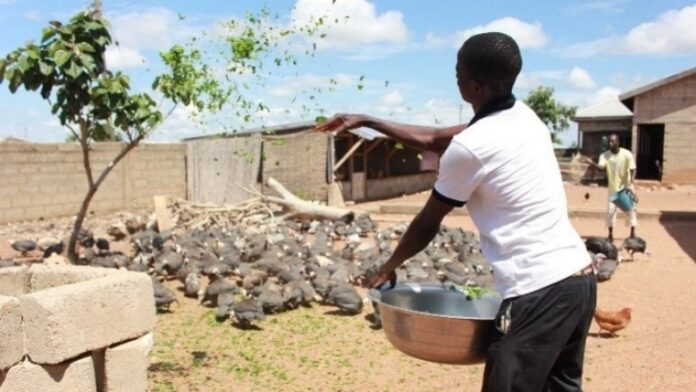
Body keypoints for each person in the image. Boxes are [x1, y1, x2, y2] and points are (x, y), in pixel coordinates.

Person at [317, 32, 596, 392]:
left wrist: (388, 267)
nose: (455, 78)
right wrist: (368, 120)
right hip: (578, 280)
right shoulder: (523, 117)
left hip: (537, 290)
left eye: (458, 72)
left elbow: (427, 222)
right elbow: (434, 138)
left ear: (475, 86)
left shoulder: (471, 147)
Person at [584, 134, 637, 241]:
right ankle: (610, 235)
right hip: (613, 190)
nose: (610, 143)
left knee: (631, 210)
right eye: (609, 142)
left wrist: (631, 183)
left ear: (618, 142)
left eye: (613, 141)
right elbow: (601, 168)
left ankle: (632, 235)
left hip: (626, 188)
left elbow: (633, 168)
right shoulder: (604, 156)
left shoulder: (626, 154)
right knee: (610, 212)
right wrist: (591, 163)